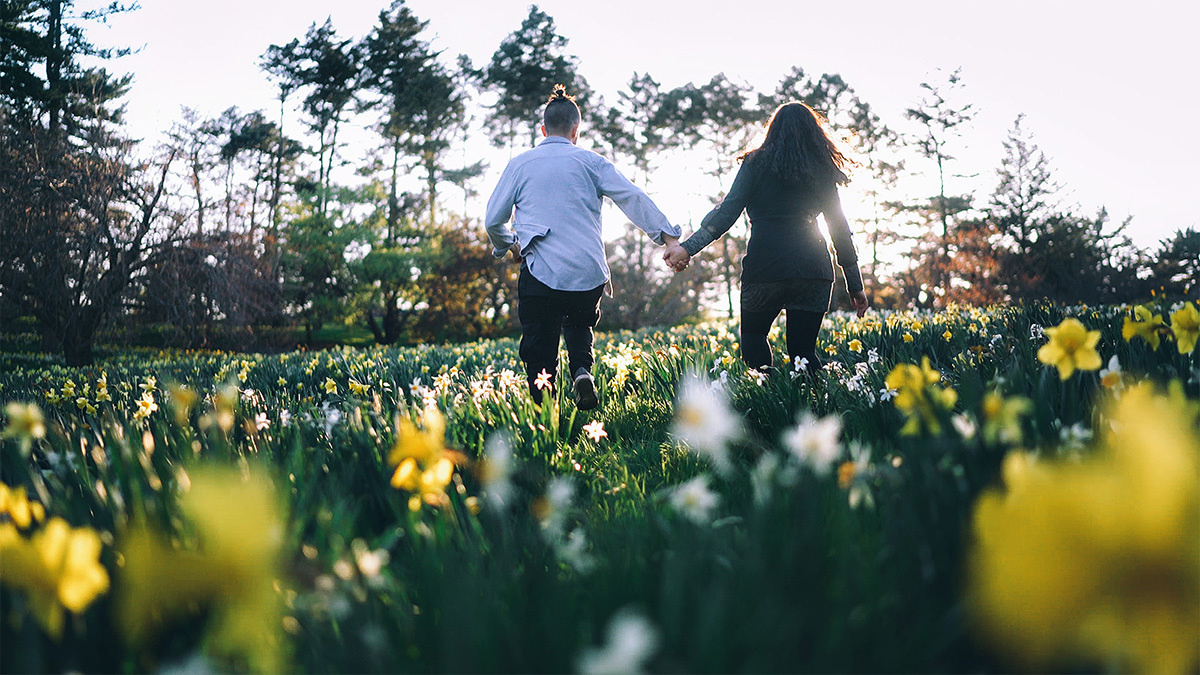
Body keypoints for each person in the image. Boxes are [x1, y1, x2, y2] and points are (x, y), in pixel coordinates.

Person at [486, 84, 686, 410]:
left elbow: (493, 220)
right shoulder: (592, 162)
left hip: (541, 269)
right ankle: (581, 370)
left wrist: (508, 245)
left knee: (540, 344)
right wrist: (668, 237)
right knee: (579, 324)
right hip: (588, 270)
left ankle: (545, 416)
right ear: (576, 131)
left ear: (543, 129)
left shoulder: (520, 164)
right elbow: (632, 197)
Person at [665, 101, 869, 374]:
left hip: (765, 267)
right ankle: (814, 413)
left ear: (772, 130)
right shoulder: (821, 168)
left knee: (753, 338)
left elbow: (727, 213)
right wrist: (855, 285)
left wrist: (687, 249)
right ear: (814, 133)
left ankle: (767, 403)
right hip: (813, 269)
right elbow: (838, 227)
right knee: (804, 352)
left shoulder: (755, 163)